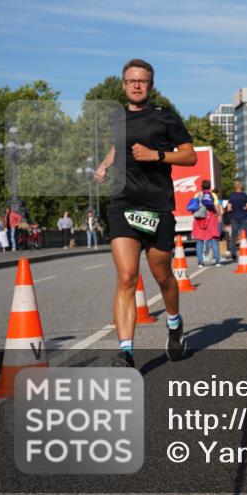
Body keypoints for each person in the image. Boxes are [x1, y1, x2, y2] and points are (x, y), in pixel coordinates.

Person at [94, 58, 197, 368]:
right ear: (124, 84)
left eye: (142, 81)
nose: (136, 85)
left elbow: (190, 155)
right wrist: (106, 162)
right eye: (131, 80)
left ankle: (175, 322)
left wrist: (156, 155)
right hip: (123, 203)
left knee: (163, 276)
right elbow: (119, 145)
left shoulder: (166, 119)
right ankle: (126, 352)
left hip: (158, 206)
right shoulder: (117, 119)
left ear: (150, 86)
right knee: (126, 277)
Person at [191, 180, 222, 267]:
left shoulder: (197, 194)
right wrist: (219, 215)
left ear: (201, 186)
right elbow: (216, 206)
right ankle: (217, 261)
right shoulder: (213, 195)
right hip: (210, 217)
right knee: (213, 239)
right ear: (209, 186)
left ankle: (200, 262)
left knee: (199, 240)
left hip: (199, 218)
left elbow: (193, 206)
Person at [227, 180, 247, 260]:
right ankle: (246, 251)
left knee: (233, 236)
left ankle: (233, 253)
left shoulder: (232, 196)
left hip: (234, 218)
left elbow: (229, 208)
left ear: (235, 187)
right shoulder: (245, 196)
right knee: (246, 235)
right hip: (244, 217)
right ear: (241, 187)